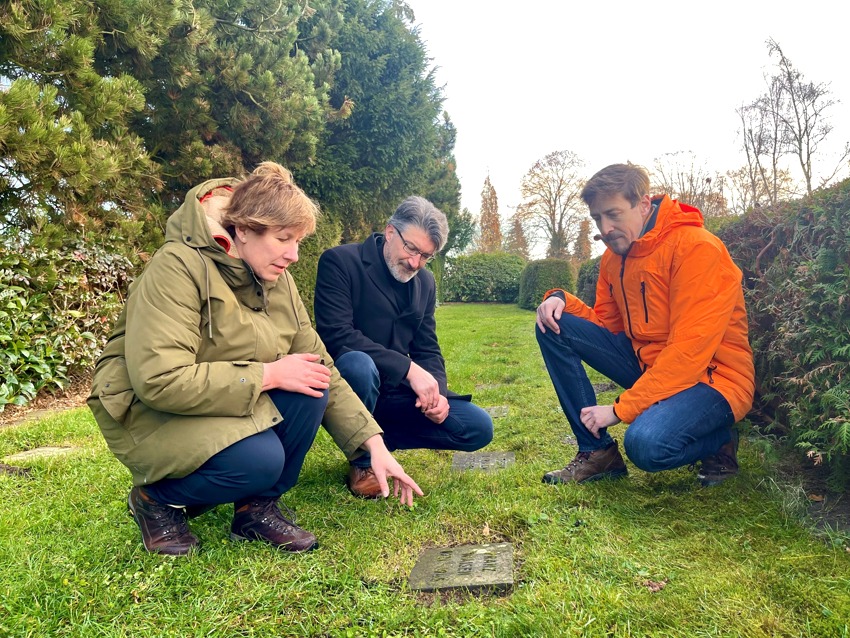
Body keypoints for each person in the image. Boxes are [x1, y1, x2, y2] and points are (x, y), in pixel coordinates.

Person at [88, 163, 422, 556]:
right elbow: (160, 380)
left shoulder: (276, 277)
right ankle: (156, 500)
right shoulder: (176, 266)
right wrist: (268, 374)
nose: (294, 256)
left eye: (297, 241)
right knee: (260, 461)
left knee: (310, 381)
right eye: (284, 239)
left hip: (220, 398)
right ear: (243, 230)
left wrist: (373, 445)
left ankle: (254, 511)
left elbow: (322, 364)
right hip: (147, 410)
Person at [535, 163, 755, 487]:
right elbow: (607, 328)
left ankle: (719, 440)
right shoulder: (614, 258)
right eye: (597, 218)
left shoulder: (696, 248)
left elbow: (688, 354)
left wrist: (619, 410)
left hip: (713, 380)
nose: (605, 228)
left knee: (646, 445)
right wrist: (561, 300)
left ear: (643, 204)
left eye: (613, 214)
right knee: (553, 325)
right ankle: (597, 452)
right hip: (653, 368)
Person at [314, 196, 494, 498]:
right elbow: (337, 334)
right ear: (390, 232)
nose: (415, 263)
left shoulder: (425, 282)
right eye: (411, 248)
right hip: (351, 387)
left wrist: (436, 391)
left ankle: (378, 442)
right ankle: (363, 461)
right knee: (358, 364)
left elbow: (428, 347)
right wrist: (408, 369)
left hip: (397, 395)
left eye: (426, 256)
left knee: (477, 426)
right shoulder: (341, 262)